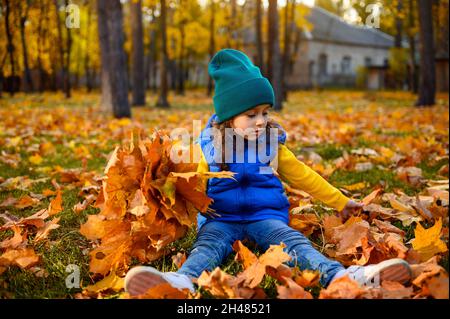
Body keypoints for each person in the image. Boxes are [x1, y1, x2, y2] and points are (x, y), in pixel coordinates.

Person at [124, 49, 411, 296]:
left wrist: (341, 202)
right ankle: (180, 281)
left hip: (266, 217)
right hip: (219, 219)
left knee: (296, 244)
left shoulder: (273, 145)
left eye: (265, 112)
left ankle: (343, 277)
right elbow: (196, 185)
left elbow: (304, 176)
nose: (260, 121)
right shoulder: (209, 148)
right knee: (207, 248)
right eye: (251, 115)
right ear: (228, 118)